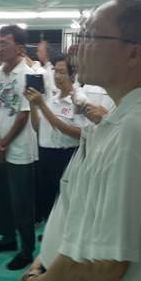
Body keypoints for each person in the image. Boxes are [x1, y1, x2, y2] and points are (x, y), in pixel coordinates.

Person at [21, 0, 141, 281]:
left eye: (91, 36)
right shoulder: (129, 117)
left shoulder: (132, 133)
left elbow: (101, 271)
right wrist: (49, 255)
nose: (76, 48)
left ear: (135, 53)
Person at [0, 25, 38, 271]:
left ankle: (26, 250)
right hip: (0, 147)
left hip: (21, 151)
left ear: (19, 48)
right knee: (1, 198)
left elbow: (24, 115)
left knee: (21, 203)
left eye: (4, 43)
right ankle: (7, 238)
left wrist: (4, 142)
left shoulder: (30, 76)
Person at [23, 55, 85, 224]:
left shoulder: (78, 99)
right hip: (45, 155)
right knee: (48, 201)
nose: (57, 76)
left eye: (62, 72)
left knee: (65, 204)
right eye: (55, 71)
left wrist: (42, 106)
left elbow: (78, 133)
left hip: (66, 157)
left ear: (72, 74)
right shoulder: (51, 98)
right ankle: (49, 233)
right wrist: (33, 104)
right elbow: (37, 128)